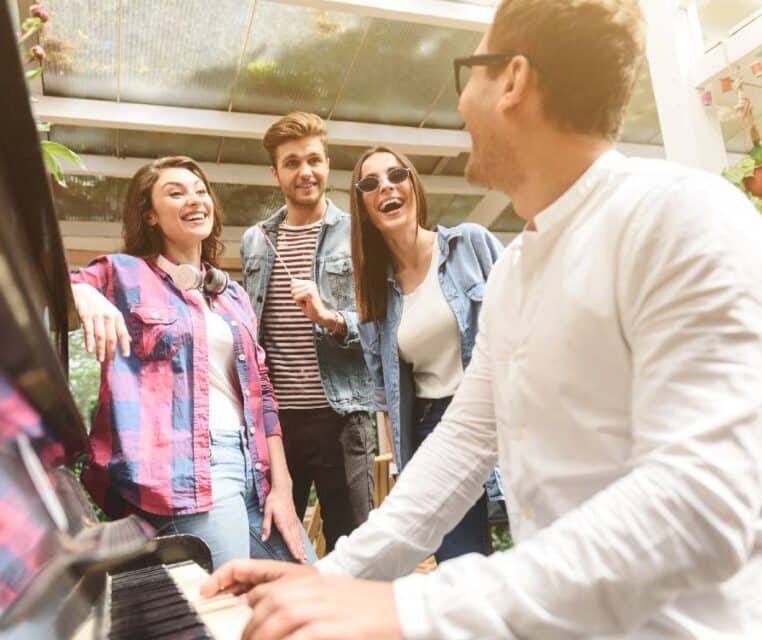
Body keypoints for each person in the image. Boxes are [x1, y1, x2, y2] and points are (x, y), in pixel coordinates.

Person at [200, 1, 762, 638]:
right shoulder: (518, 269)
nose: (461, 103)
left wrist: (411, 609)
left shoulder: (683, 219)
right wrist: (327, 578)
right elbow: (460, 447)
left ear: (513, 81)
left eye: (470, 74)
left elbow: (698, 510)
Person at [69, 156, 313, 569]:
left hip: (255, 468)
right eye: (175, 192)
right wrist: (83, 293)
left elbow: (263, 395)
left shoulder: (231, 295)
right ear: (150, 214)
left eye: (200, 191)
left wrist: (283, 487)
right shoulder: (124, 274)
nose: (194, 199)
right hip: (190, 473)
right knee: (225, 611)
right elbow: (52, 283)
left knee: (311, 590)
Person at [350, 145, 503, 562]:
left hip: (502, 411)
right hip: (435, 432)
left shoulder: (471, 245)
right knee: (460, 566)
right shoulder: (373, 298)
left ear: (413, 185)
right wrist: (403, 470)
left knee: (536, 548)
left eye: (396, 175)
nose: (386, 186)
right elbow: (384, 395)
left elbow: (528, 319)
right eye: (370, 183)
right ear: (363, 208)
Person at [238, 113, 375, 552]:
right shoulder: (255, 241)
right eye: (292, 162)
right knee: (278, 545)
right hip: (278, 425)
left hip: (342, 414)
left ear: (328, 164)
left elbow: (379, 324)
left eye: (314, 160)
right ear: (275, 173)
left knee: (351, 546)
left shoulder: (358, 234)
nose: (306, 172)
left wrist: (331, 317)